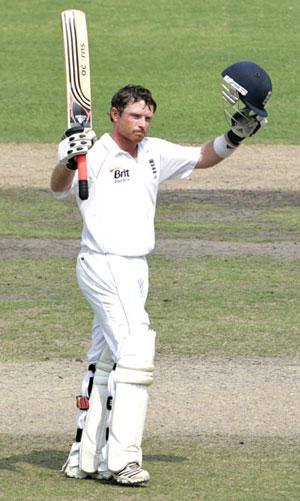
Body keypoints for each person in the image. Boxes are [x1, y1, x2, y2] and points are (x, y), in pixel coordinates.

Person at [50, 61, 272, 486]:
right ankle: (123, 460)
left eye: (148, 117)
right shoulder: (92, 151)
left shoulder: (152, 152)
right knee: (136, 350)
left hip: (136, 268)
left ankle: (86, 458)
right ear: (115, 114)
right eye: (135, 116)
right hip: (103, 261)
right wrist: (66, 158)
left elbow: (203, 157)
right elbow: (60, 186)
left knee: (106, 360)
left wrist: (235, 137)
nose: (142, 124)